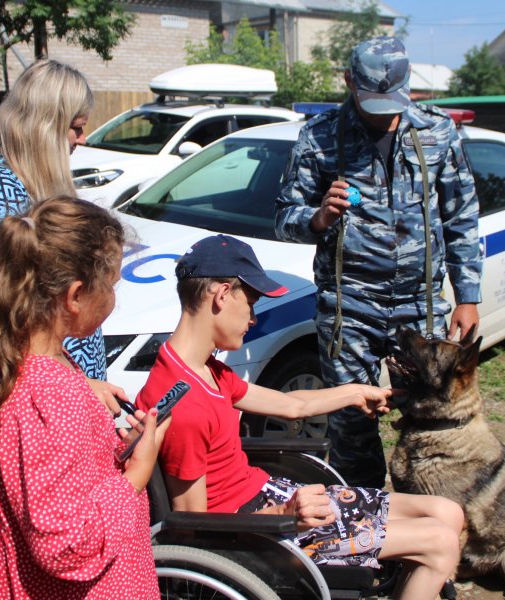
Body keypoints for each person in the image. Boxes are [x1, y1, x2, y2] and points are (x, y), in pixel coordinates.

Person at [136, 234, 463, 600]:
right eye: (251, 303)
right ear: (222, 295)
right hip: (264, 533)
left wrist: (356, 392)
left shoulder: (203, 370)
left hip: (271, 499)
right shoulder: (185, 405)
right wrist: (285, 513)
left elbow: (293, 406)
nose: (253, 318)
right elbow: (192, 527)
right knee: (440, 542)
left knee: (446, 511)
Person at [275, 36, 482, 488]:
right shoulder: (320, 136)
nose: (386, 111)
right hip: (350, 308)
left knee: (436, 419)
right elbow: (283, 218)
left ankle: (429, 523)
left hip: (421, 304)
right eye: (374, 99)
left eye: (396, 99)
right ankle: (365, 533)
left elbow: (461, 216)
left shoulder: (438, 131)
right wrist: (317, 217)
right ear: (349, 81)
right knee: (351, 427)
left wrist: (467, 296)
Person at [0, 197, 167, 599]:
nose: (114, 300)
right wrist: (138, 471)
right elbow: (67, 547)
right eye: (112, 286)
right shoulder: (51, 394)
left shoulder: (24, 361)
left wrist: (115, 448)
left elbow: (54, 475)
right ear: (75, 295)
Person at [0, 59, 109, 384]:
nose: (81, 138)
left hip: (64, 384)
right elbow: (1, 304)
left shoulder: (30, 178)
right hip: (38, 387)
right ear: (44, 124)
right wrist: (76, 383)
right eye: (75, 127)